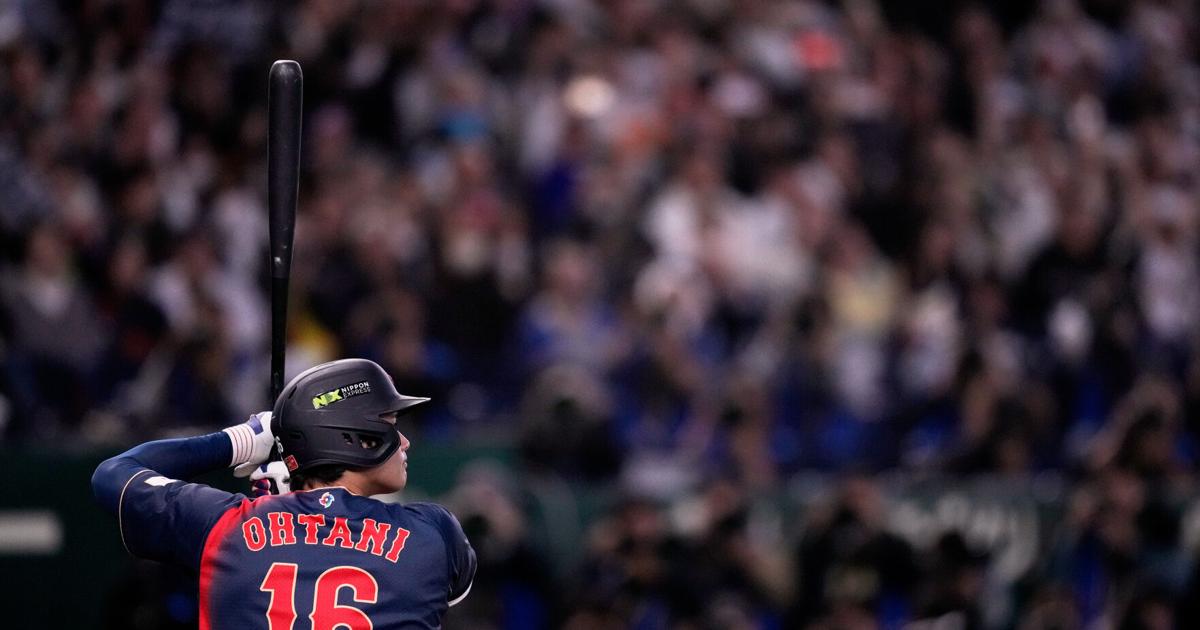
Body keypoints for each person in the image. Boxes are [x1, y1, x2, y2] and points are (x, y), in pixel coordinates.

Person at [92, 358, 476, 629]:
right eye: (391, 425)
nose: (405, 442)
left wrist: (239, 443)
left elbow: (113, 476)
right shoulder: (434, 534)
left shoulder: (227, 526)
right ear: (357, 438)